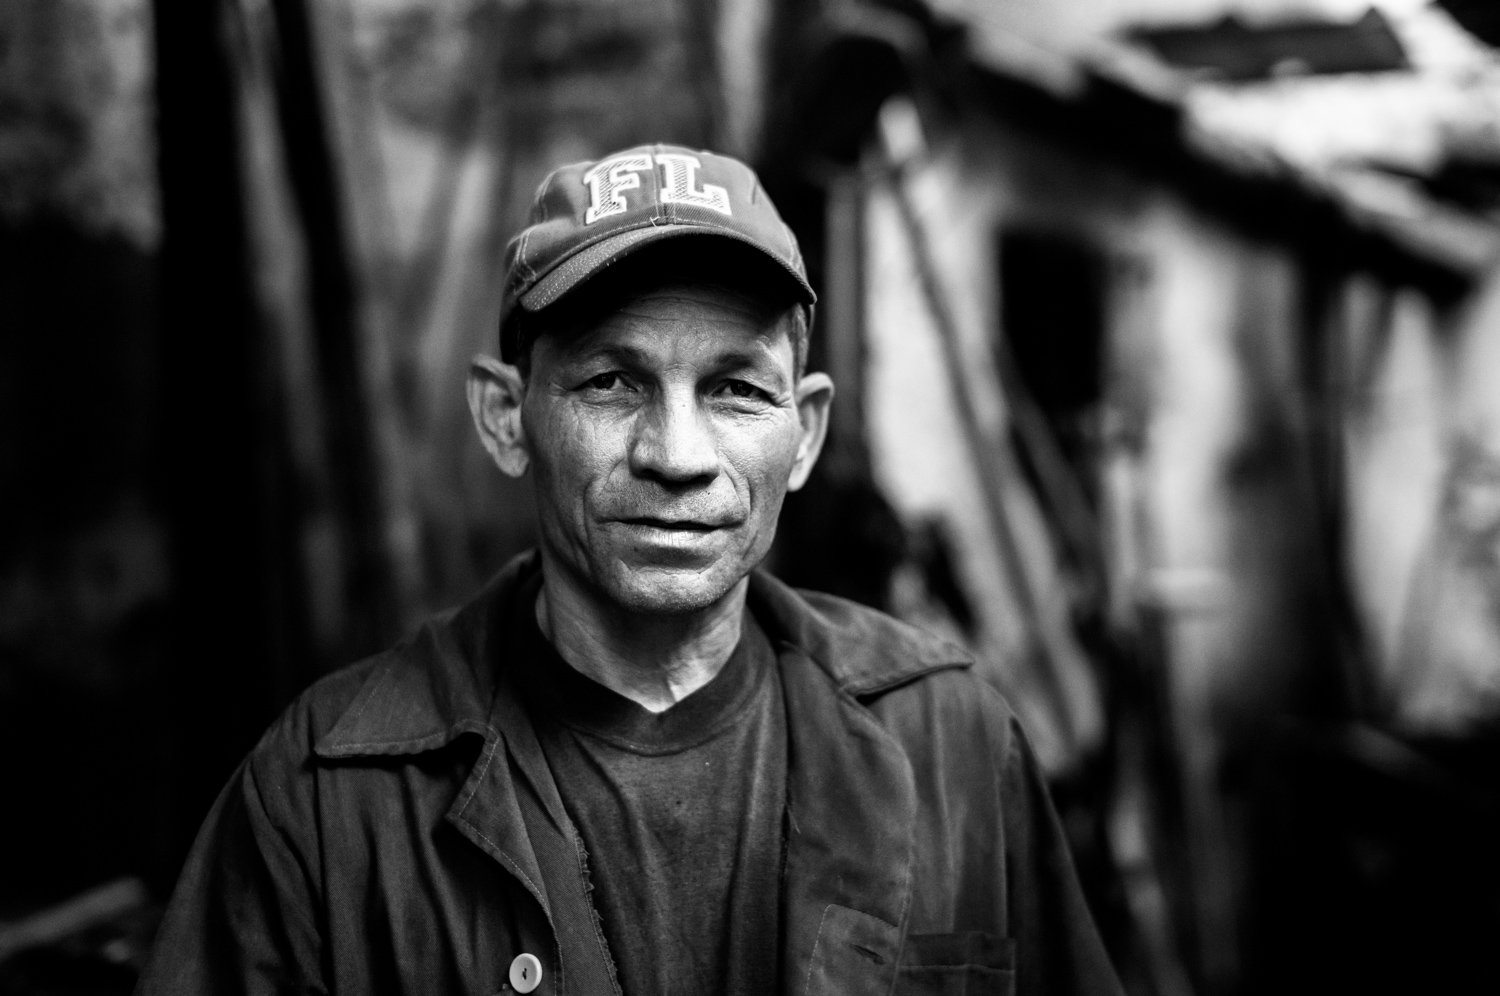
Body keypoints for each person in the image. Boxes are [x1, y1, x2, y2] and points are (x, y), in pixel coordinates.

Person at [136, 144, 1124, 996]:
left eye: (737, 389)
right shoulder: (327, 799)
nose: (678, 454)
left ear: (807, 432)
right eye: (613, 383)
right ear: (504, 417)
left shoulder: (949, 742)